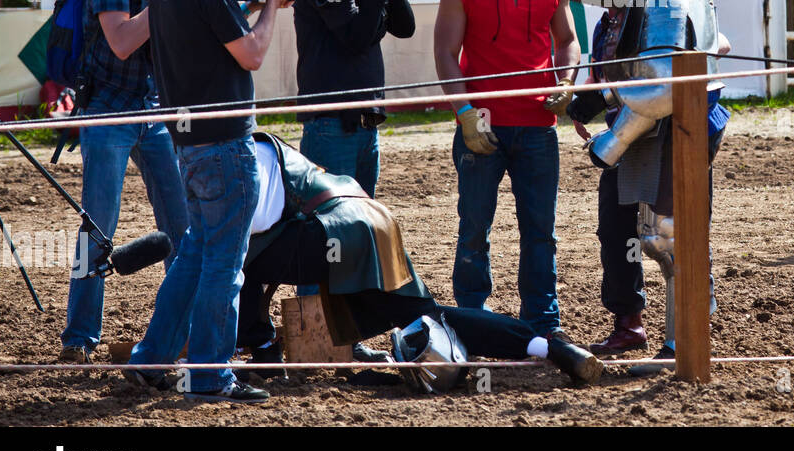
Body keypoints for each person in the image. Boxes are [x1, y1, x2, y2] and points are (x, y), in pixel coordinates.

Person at [233, 132, 600, 389]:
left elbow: (233, 246)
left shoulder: (232, 161)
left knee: (234, 260)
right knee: (425, 315)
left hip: (336, 227)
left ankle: (261, 349)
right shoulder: (251, 147)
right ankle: (547, 346)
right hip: (368, 218)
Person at [123, 0, 297, 404]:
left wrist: (249, 2)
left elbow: (212, 28)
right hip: (225, 144)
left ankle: (152, 358)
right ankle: (208, 373)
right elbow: (253, 54)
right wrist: (272, 4)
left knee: (196, 253)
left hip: (188, 146)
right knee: (225, 263)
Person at [567, 0, 731, 375]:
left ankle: (684, 340)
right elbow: (627, 69)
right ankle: (629, 323)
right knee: (617, 227)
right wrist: (584, 105)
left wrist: (611, 142)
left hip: (677, 126)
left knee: (669, 234)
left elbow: (663, 88)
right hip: (643, 121)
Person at [432, 0, 580, 339]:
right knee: (474, 224)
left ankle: (542, 322)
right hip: (483, 125)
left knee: (541, 230)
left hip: (538, 125)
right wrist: (464, 113)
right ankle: (474, 318)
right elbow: (444, 51)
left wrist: (567, 81)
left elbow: (568, 41)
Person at [58, 0, 189, 365]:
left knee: (185, 229)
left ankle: (177, 330)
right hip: (108, 110)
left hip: (156, 110)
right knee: (98, 229)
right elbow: (121, 41)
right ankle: (80, 338)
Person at [293, 0, 415, 200]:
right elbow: (356, 39)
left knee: (361, 216)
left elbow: (405, 27)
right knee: (332, 218)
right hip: (331, 124)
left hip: (365, 122)